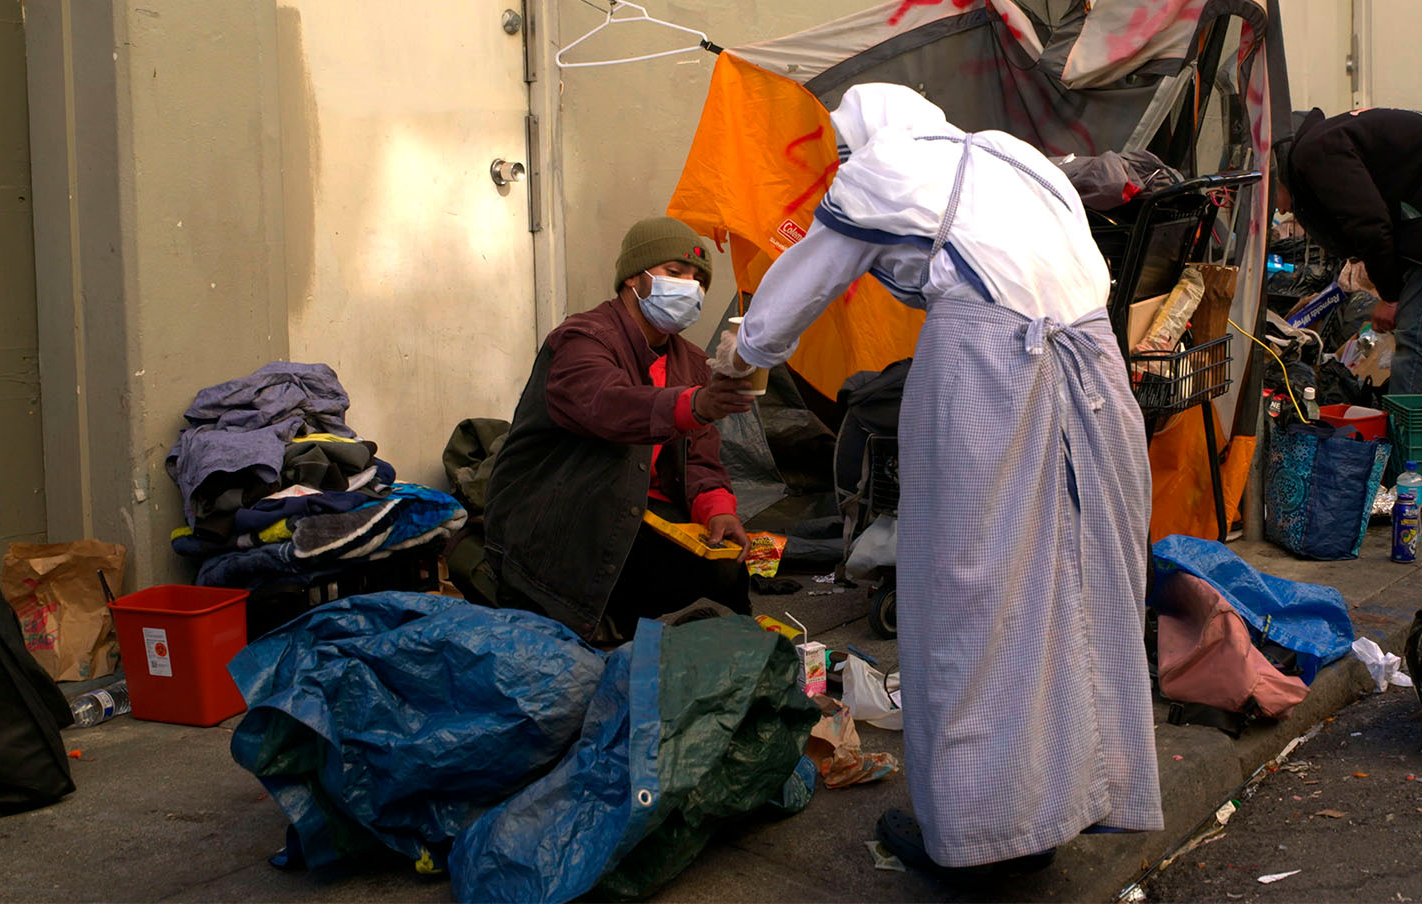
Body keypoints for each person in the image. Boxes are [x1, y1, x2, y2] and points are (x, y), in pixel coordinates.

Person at [716, 84, 1162, 873]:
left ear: (861, 139)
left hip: (991, 370)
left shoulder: (886, 168)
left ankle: (978, 833)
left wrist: (742, 356)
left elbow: (802, 282)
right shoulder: (1016, 159)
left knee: (971, 600)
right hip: (1096, 368)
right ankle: (1054, 808)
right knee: (1081, 588)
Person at [478, 216, 758, 645]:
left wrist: (718, 508)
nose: (690, 288)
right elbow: (608, 406)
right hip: (561, 515)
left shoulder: (690, 361)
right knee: (601, 583)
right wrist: (694, 405)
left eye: (699, 281)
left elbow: (699, 455)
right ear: (633, 277)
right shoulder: (582, 339)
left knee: (725, 570)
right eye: (675, 272)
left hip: (636, 510)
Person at [1276, 107, 1422, 396]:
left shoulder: (1314, 154)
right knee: (1421, 329)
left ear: (1274, 175)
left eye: (1270, 199)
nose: (1280, 210)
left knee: (1420, 332)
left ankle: (1413, 425)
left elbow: (1371, 225)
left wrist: (1390, 297)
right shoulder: (1322, 143)